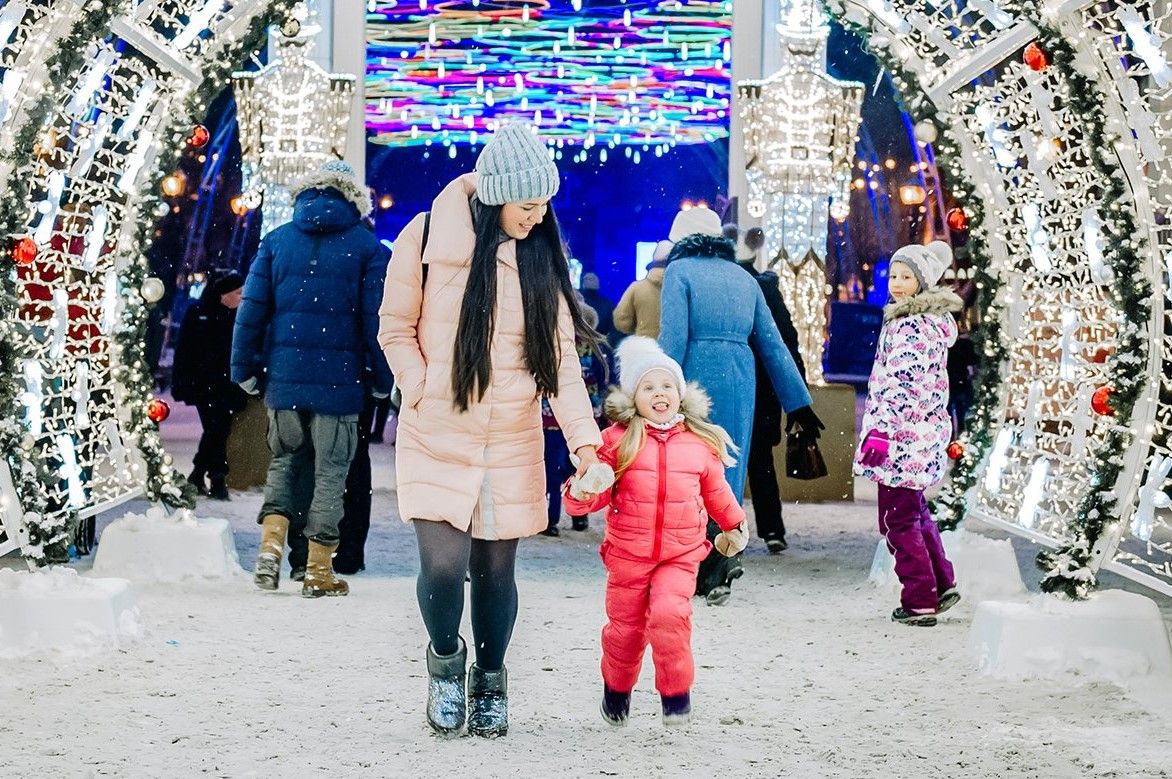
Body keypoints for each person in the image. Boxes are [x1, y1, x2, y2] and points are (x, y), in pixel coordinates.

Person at [378, 123, 602, 739]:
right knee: (445, 568)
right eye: (527, 206)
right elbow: (394, 328)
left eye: (543, 206)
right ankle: (446, 665)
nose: (537, 217)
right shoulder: (423, 237)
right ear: (495, 195)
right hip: (437, 432)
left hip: (510, 438)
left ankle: (491, 681)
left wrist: (586, 444)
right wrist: (421, 387)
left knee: (498, 573)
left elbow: (558, 367)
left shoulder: (539, 258)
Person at [563, 336, 747, 727]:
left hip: (680, 554)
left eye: (667, 386)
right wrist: (581, 491)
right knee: (625, 631)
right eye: (648, 387)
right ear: (634, 397)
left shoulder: (698, 443)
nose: (659, 393)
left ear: (680, 395)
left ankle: (676, 695)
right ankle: (616, 692)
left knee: (671, 615)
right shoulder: (617, 441)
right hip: (628, 556)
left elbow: (716, 491)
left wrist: (734, 524)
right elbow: (592, 494)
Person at [231, 160, 393, 598]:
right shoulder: (368, 249)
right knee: (331, 475)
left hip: (283, 381)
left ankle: (269, 552)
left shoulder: (276, 242)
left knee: (284, 464)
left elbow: (251, 313)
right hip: (340, 386)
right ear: (353, 198)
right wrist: (383, 378)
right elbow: (376, 322)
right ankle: (318, 570)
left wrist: (243, 369)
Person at [658, 207, 822, 605]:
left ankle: (703, 564)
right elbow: (772, 344)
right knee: (728, 471)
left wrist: (657, 388)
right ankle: (726, 556)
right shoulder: (744, 278)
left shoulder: (679, 273)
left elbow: (673, 338)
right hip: (740, 378)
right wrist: (798, 402)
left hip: (694, 378)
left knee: (691, 473)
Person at [856, 241, 962, 627]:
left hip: (902, 439)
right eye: (895, 276)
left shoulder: (910, 326)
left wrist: (882, 433)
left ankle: (919, 599)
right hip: (918, 436)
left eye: (907, 278)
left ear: (922, 283)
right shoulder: (928, 324)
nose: (898, 285)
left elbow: (902, 386)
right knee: (914, 512)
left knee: (897, 520)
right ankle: (941, 582)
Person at [736, 233, 807, 554]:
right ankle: (772, 530)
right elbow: (787, 344)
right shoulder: (767, 291)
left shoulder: (730, 288)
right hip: (764, 388)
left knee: (723, 463)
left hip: (737, 384)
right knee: (761, 461)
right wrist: (797, 394)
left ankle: (725, 530)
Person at [171, 269, 247, 501]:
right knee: (217, 429)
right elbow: (185, 352)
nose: (241, 297)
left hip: (226, 384)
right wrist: (183, 381)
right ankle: (216, 477)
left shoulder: (237, 317)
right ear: (222, 294)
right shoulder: (200, 314)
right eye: (237, 292)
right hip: (205, 384)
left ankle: (199, 474)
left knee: (217, 430)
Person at [541, 304, 611, 536]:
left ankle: (550, 519)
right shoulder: (597, 347)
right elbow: (605, 379)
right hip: (586, 418)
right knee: (579, 465)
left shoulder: (553, 344)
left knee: (551, 468)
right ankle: (580, 516)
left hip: (551, 416)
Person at [613, 239, 672, 339]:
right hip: (674, 350)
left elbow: (622, 321)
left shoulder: (637, 288)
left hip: (644, 346)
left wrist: (640, 328)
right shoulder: (683, 289)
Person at [579, 272, 615, 341]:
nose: (590, 281)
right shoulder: (607, 304)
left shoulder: (607, 304)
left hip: (598, 343)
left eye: (592, 279)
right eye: (588, 279)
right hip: (583, 343)